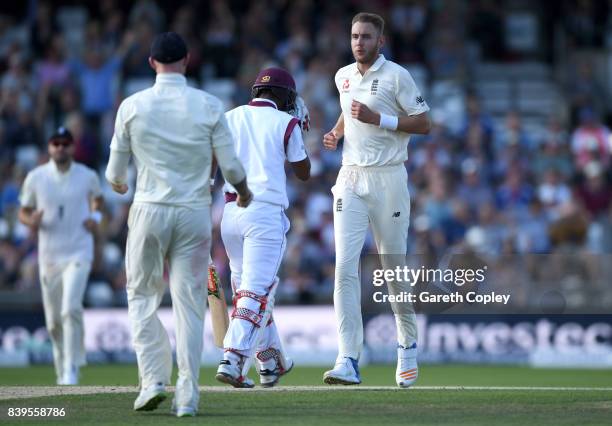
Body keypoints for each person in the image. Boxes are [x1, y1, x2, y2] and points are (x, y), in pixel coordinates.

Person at [105, 32, 251, 417]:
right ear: (187, 60)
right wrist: (245, 191)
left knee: (142, 296)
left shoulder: (132, 106)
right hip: (193, 213)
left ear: (152, 62)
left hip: (149, 209)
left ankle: (152, 380)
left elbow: (115, 174)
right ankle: (187, 393)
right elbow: (232, 167)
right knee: (189, 304)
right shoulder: (207, 105)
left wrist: (121, 183)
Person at [322, 12, 431, 388]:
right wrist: (336, 133)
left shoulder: (397, 76)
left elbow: (424, 122)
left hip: (389, 180)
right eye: (354, 36)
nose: (359, 42)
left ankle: (407, 345)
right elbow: (348, 112)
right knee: (344, 267)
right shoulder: (343, 76)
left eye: (366, 37)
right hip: (350, 178)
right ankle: (348, 358)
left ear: (380, 41)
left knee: (391, 271)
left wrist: (378, 119)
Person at [215, 67, 311, 388]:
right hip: (264, 214)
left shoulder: (229, 117)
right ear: (285, 96)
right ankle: (232, 358)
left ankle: (270, 363)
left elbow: (212, 162)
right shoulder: (287, 122)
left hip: (230, 213)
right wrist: (301, 130)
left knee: (248, 292)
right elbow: (303, 172)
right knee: (257, 293)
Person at [19, 127, 104, 386]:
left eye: (65, 143)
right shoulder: (36, 177)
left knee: (70, 308)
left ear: (72, 147)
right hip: (49, 256)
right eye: (55, 143)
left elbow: (98, 202)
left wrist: (95, 218)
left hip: (79, 251)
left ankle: (72, 368)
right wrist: (30, 220)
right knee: (54, 321)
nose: (60, 148)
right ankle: (62, 367)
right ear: (49, 147)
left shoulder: (87, 175)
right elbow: (23, 211)